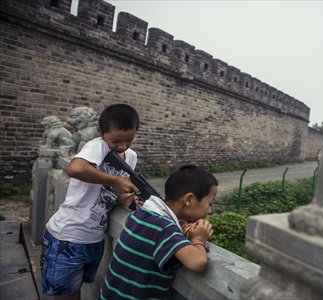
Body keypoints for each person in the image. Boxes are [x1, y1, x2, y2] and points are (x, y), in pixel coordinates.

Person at [41, 103, 142, 300]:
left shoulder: (131, 157)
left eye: (129, 140)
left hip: (94, 239)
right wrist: (116, 180)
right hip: (68, 236)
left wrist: (125, 199)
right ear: (100, 132)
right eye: (116, 140)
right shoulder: (97, 145)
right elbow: (75, 169)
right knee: (65, 296)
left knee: (75, 291)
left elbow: (109, 193)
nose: (122, 146)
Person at [99, 165, 218, 299]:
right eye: (210, 204)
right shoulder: (164, 228)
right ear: (189, 200)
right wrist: (198, 239)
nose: (210, 211)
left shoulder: (142, 214)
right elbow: (197, 262)